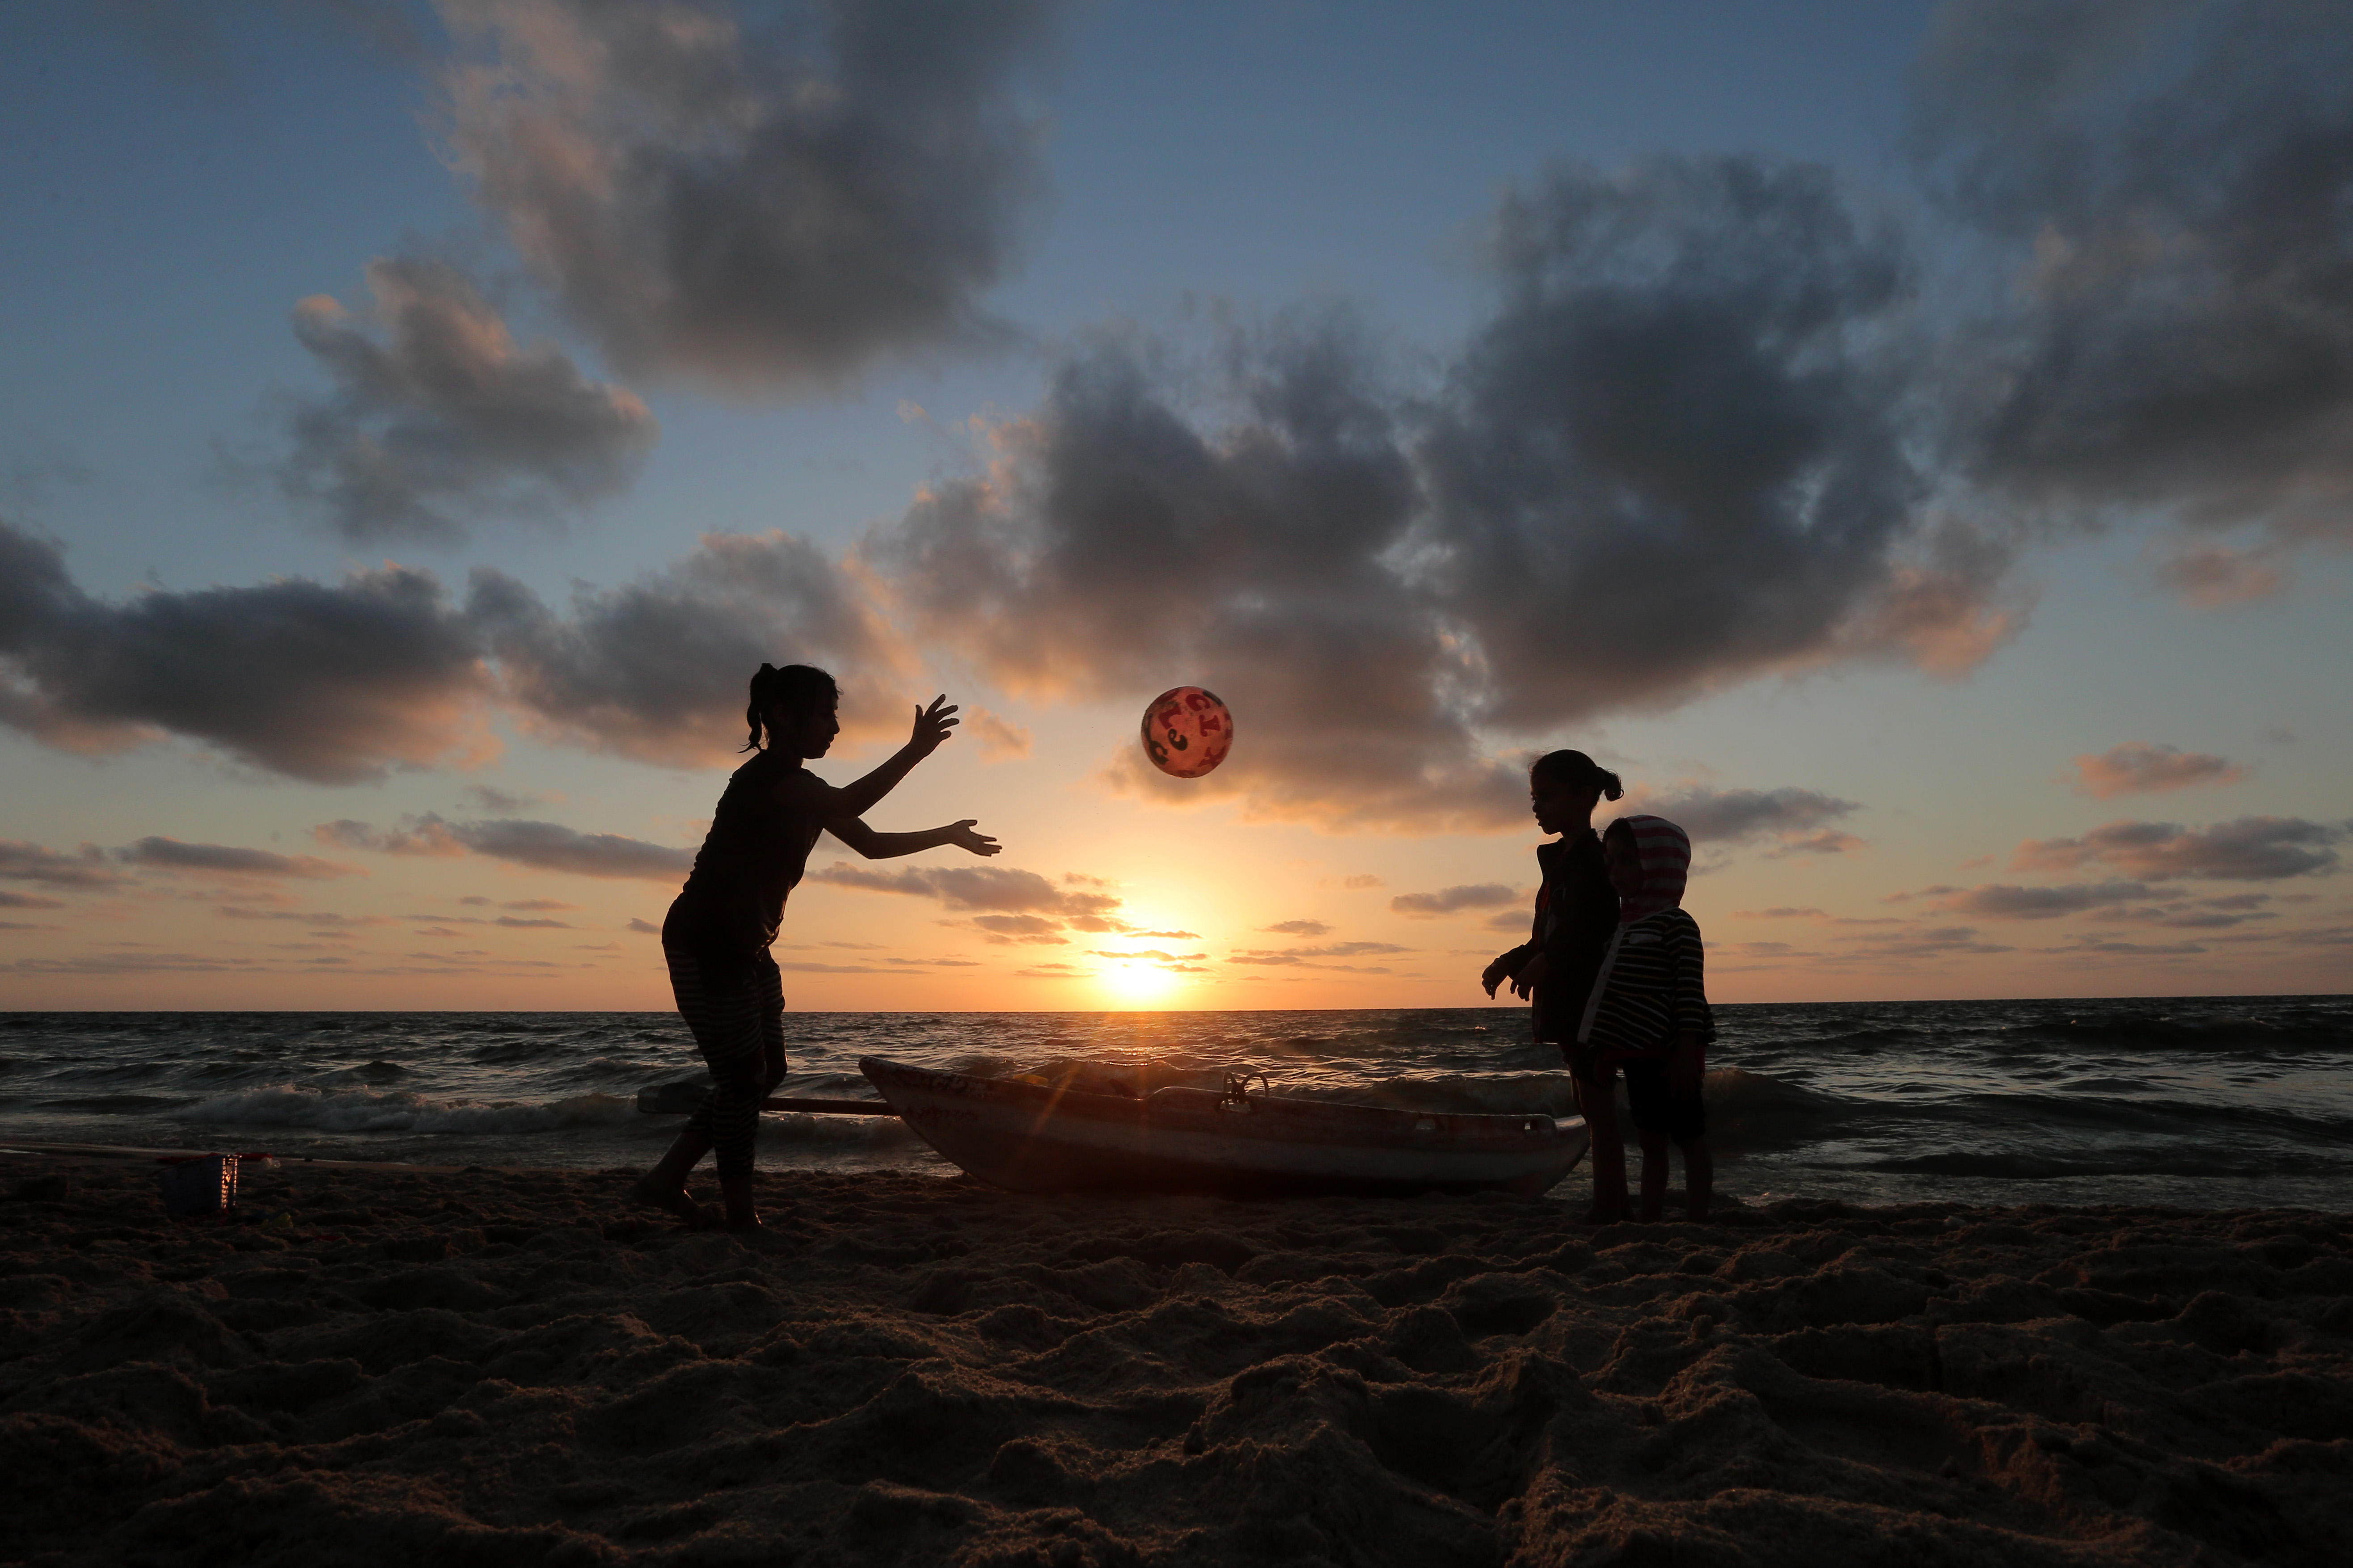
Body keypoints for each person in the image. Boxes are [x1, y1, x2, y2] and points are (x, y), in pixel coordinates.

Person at [632, 663, 1000, 1233]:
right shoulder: (769, 781)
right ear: (783, 716)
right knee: (741, 1080)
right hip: (706, 942)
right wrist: (914, 752)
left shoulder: (805, 790)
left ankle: (664, 1181)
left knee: (766, 1071)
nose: (834, 726)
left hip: (751, 947)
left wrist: (947, 833)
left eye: (835, 713)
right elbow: (853, 804)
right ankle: (739, 1216)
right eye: (825, 713)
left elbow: (871, 846)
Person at [1481, 750, 1627, 1221]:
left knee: (1597, 1103)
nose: (1537, 806)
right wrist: (1511, 961)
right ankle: (1608, 1202)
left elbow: (1592, 930)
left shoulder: (1594, 861)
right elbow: (1549, 933)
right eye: (1534, 797)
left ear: (1584, 796)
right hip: (1567, 1000)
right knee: (1586, 1099)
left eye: (1546, 796)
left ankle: (1611, 1205)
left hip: (1592, 999)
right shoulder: (1560, 861)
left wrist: (1548, 960)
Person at [1575, 815, 1714, 1223]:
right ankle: (1650, 1218)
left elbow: (1690, 991)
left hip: (1672, 1056)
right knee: (1650, 1140)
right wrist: (1604, 1049)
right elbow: (1611, 999)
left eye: (1626, 861)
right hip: (1635, 1056)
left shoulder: (1677, 924)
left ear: (1658, 866)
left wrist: (1687, 1050)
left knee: (1690, 1138)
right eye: (1610, 861)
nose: (1614, 871)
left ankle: (1697, 1219)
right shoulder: (1624, 929)